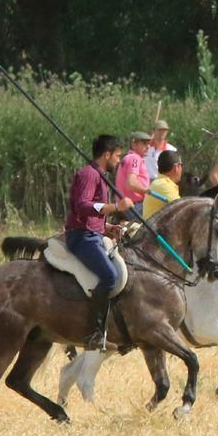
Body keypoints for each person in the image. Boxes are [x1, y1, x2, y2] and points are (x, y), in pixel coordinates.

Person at [66, 135, 134, 350]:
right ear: (106, 154)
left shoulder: (100, 175)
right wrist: (116, 207)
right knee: (109, 276)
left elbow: (92, 214)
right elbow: (83, 206)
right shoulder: (89, 174)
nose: (119, 160)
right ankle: (92, 332)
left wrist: (106, 228)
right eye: (117, 155)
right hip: (81, 238)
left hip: (92, 234)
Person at [115, 131, 151, 214]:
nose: (148, 147)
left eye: (148, 143)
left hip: (127, 206)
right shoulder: (134, 158)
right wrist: (148, 191)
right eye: (144, 143)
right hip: (135, 206)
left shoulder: (129, 157)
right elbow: (131, 183)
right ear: (134, 145)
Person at [143, 149, 183, 219]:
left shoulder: (160, 182)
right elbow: (183, 211)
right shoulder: (165, 185)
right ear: (176, 167)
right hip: (153, 229)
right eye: (181, 165)